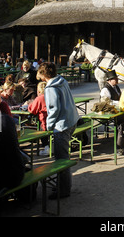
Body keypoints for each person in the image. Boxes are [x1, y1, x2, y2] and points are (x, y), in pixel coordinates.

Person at [36, 62, 79, 199]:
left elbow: (54, 109)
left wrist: (48, 126)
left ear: (43, 75)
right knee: (63, 156)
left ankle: (64, 189)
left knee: (61, 159)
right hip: (71, 121)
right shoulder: (62, 81)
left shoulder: (50, 88)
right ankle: (62, 184)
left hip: (62, 125)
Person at [0, 87, 25, 207]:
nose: (0, 100)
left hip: (2, 179)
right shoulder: (7, 119)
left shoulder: (4, 120)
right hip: (16, 174)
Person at [27, 81, 49, 155]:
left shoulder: (39, 98)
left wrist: (29, 105)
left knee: (41, 129)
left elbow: (33, 110)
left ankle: (46, 147)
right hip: (53, 121)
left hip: (44, 121)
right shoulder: (50, 95)